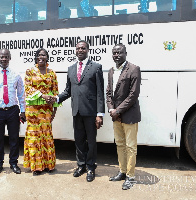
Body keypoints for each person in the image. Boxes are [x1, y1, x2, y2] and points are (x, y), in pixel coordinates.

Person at [56, 40, 105, 182]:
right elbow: (68, 91)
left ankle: (90, 167)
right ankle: (81, 165)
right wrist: (56, 99)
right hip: (76, 111)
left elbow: (100, 93)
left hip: (90, 112)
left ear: (88, 50)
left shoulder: (96, 67)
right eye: (78, 48)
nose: (80, 50)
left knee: (91, 141)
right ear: (75, 51)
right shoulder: (71, 68)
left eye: (83, 48)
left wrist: (100, 114)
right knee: (78, 141)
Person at [0, 48, 26, 176]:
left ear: (10, 58)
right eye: (2, 57)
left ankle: (14, 163)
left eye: (6, 56)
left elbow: (21, 95)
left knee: (14, 139)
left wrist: (23, 111)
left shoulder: (16, 75)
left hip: (13, 111)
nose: (4, 59)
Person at [106, 44, 141, 190]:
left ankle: (131, 177)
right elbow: (108, 92)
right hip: (116, 115)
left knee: (130, 146)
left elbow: (133, 94)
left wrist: (118, 110)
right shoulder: (111, 71)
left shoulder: (133, 69)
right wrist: (111, 109)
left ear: (125, 53)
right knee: (120, 144)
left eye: (119, 53)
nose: (116, 55)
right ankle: (122, 171)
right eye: (114, 53)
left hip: (129, 114)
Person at [23, 48, 61, 175]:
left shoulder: (52, 73)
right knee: (34, 138)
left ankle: (48, 165)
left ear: (47, 57)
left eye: (44, 55)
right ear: (36, 57)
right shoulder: (30, 71)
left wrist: (54, 111)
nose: (41, 57)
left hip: (47, 111)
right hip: (33, 111)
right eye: (39, 55)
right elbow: (28, 88)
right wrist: (43, 96)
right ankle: (36, 167)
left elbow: (55, 92)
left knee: (46, 136)